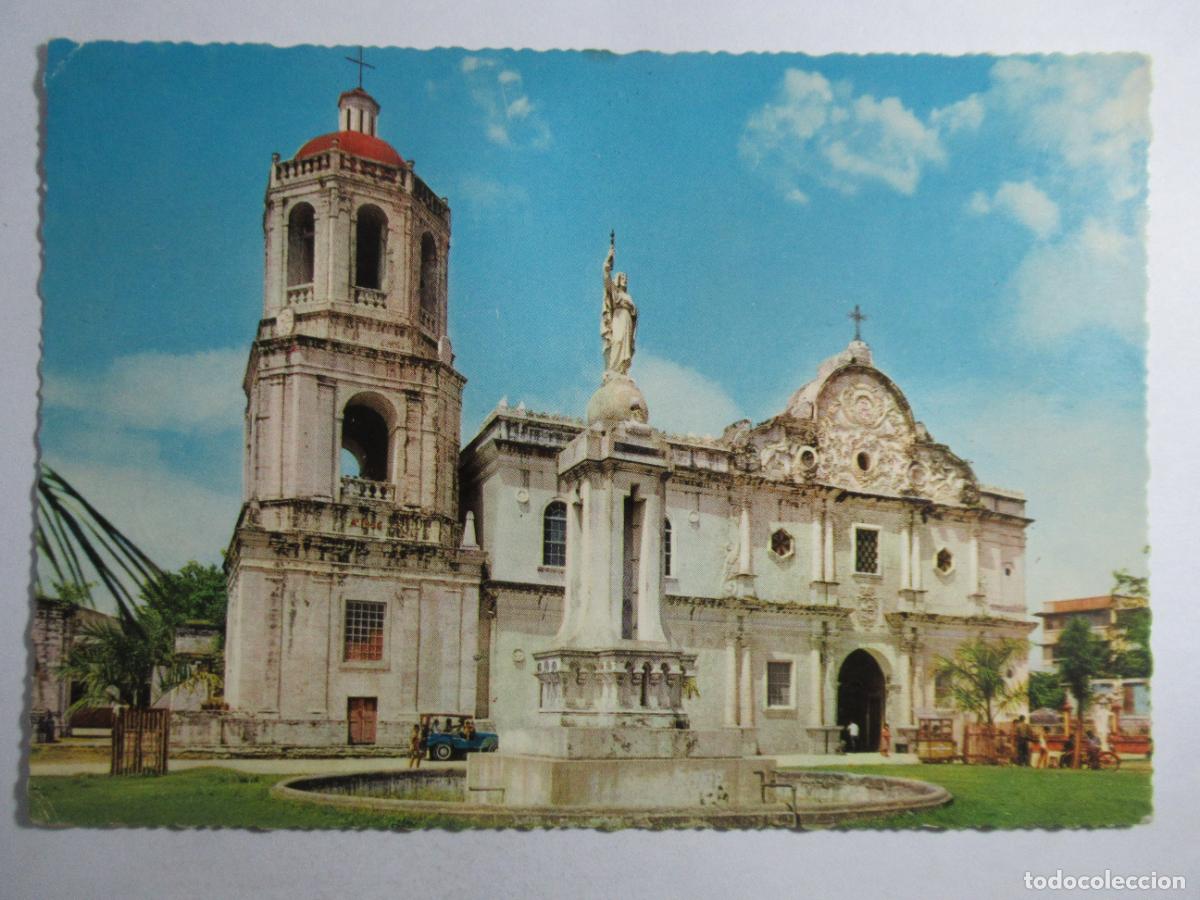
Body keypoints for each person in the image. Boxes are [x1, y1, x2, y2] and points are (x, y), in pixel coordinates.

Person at [601, 236, 638, 376]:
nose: (625, 281)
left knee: (625, 345)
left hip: (627, 319)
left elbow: (634, 312)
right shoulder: (615, 293)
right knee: (617, 340)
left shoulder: (628, 297)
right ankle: (613, 369)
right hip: (618, 317)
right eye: (622, 278)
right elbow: (606, 276)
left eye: (626, 279)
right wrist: (608, 260)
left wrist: (633, 310)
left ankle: (622, 370)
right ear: (617, 281)